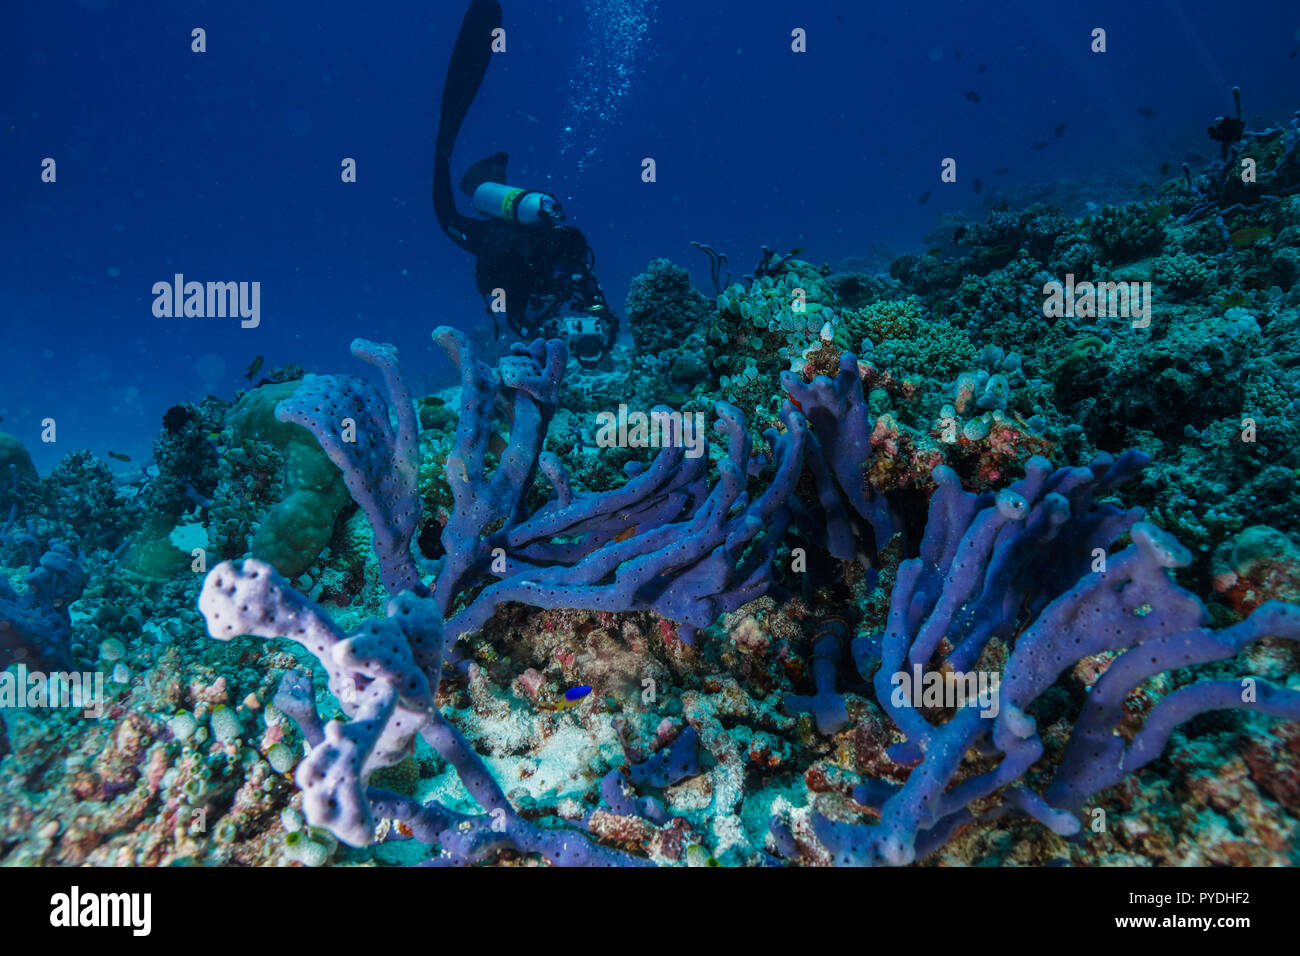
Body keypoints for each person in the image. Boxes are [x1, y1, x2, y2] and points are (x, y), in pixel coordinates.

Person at [433, 0, 618, 367]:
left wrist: (601, 322)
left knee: (449, 210)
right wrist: (546, 334)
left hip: (518, 221)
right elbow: (517, 320)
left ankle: (478, 173)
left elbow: (591, 300)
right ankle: (447, 158)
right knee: (445, 217)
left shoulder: (570, 257)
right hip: (488, 240)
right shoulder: (529, 265)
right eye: (568, 271)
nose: (571, 276)